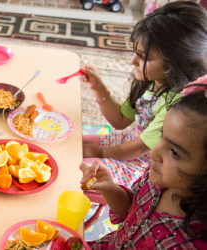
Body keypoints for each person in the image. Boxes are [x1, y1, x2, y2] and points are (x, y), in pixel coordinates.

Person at [80, 1, 207, 187]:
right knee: (71, 143)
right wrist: (98, 87)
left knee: (78, 169)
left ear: (174, 64)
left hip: (144, 165)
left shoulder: (176, 104)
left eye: (143, 57)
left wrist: (100, 152)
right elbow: (121, 120)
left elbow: (139, 149)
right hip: (128, 143)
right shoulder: (150, 80)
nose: (133, 61)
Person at [80, 80, 207, 249]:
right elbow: (130, 211)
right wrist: (110, 188)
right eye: (162, 136)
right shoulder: (158, 178)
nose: (153, 152)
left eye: (174, 152)